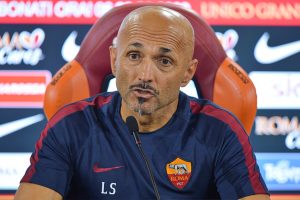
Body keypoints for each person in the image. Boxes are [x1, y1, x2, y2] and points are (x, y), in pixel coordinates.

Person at [14, 5, 270, 200]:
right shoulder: (70, 126)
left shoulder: (220, 131)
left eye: (164, 61)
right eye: (134, 56)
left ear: (188, 73)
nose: (145, 75)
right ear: (114, 60)